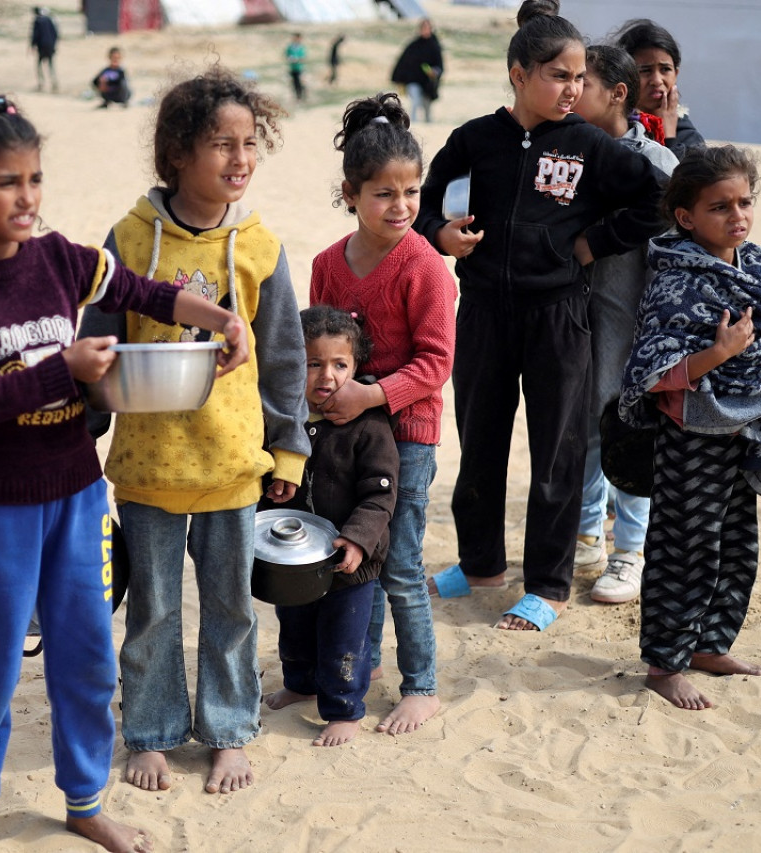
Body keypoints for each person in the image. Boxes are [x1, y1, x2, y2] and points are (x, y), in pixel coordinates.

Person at [0, 85, 248, 851]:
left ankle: (86, 801)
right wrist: (64, 368)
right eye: (5, 182)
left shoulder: (62, 259)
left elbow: (144, 291)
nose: (26, 197)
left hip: (79, 500)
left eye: (34, 179)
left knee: (87, 660)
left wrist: (220, 317)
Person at [78, 67, 308, 795]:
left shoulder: (261, 246)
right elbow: (98, 341)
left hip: (232, 462)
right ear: (177, 153)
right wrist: (81, 428)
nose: (239, 159)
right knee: (150, 610)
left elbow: (282, 357)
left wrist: (289, 448)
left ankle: (229, 729)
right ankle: (149, 729)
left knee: (231, 609)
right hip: (147, 464)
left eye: (249, 144)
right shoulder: (129, 236)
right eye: (220, 144)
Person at [413, 15, 664, 631]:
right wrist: (441, 235)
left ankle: (549, 585)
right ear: (519, 75)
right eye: (559, 76)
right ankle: (480, 566)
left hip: (558, 315)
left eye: (580, 77)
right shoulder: (475, 139)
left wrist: (594, 241)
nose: (573, 88)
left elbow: (661, 198)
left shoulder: (589, 145)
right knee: (480, 441)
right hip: (482, 314)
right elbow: (422, 208)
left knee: (558, 451)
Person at [618, 145, 761, 710]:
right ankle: (665, 664)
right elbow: (652, 369)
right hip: (692, 436)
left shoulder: (755, 262)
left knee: (737, 545)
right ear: (686, 217)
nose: (737, 216)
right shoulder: (675, 275)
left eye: (745, 202)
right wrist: (719, 353)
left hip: (751, 429)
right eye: (720, 207)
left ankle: (711, 645)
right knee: (684, 547)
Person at [310, 93, 454, 733]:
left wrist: (370, 394)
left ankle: (421, 683)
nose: (401, 207)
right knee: (351, 557)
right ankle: (354, 673)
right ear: (350, 193)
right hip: (345, 438)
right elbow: (316, 346)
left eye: (413, 192)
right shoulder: (324, 266)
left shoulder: (424, 265)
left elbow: (435, 362)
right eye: (383, 195)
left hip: (409, 436)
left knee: (397, 562)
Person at [260, 306, 398, 747]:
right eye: (313, 363)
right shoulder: (284, 418)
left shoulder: (368, 424)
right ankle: (300, 682)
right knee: (294, 627)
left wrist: (358, 540)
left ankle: (343, 710)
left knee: (343, 640)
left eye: (340, 364)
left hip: (348, 562)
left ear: (356, 367)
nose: (328, 375)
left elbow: (380, 492)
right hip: (295, 561)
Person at [570, 44, 679, 603]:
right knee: (582, 434)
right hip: (574, 329)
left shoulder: (657, 165)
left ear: (616, 93)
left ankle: (629, 553)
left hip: (632, 332)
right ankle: (586, 536)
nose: (570, 91)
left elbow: (677, 264)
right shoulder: (563, 154)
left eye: (581, 82)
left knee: (630, 435)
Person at [612, 18, 704, 161]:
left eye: (665, 69)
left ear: (676, 74)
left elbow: (682, 182)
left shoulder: (689, 138)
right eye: (645, 70)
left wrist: (668, 136)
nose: (656, 80)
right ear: (626, 76)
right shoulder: (613, 127)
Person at [390, 19, 442, 124]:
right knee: (415, 102)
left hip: (428, 84)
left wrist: (434, 72)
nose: (425, 30)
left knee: (427, 107)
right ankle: (412, 124)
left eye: (427, 28)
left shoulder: (435, 46)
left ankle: (429, 127)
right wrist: (398, 79)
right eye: (423, 28)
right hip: (413, 81)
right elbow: (402, 63)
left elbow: (440, 66)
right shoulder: (413, 46)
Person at [30, 6, 59, 93]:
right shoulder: (49, 20)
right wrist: (53, 45)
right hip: (50, 46)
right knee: (50, 65)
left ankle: (41, 83)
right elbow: (55, 33)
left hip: (42, 46)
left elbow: (35, 34)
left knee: (39, 65)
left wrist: (32, 45)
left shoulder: (38, 21)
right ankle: (54, 83)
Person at [285, 32, 306, 101]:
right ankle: (297, 97)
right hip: (293, 68)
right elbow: (287, 56)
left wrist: (297, 59)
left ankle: (302, 96)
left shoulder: (301, 47)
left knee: (301, 82)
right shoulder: (290, 47)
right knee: (294, 83)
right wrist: (290, 59)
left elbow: (303, 58)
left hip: (300, 68)